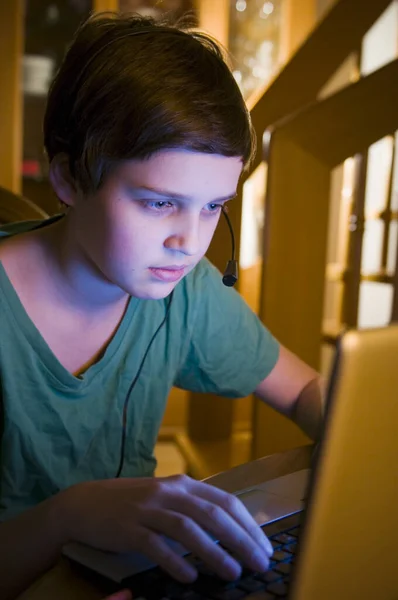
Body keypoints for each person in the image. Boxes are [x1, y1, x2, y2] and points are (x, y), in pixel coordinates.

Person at [0, 12, 324, 600]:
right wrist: (68, 516)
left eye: (212, 207)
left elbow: (304, 391)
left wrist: (367, 450)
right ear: (70, 178)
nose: (189, 242)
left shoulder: (186, 289)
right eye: (158, 204)